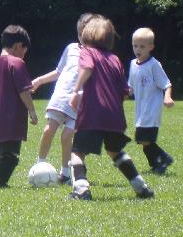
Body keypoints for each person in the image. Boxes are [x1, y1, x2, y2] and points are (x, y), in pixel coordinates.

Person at [68, 15, 154, 200]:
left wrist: (75, 91)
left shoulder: (87, 52)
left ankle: (81, 190)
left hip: (92, 114)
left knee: (77, 151)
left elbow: (87, 68)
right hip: (115, 116)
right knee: (115, 151)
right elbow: (125, 91)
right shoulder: (114, 59)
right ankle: (142, 188)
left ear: (86, 35)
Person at [29, 13, 96, 184]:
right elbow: (59, 72)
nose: (83, 39)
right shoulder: (71, 49)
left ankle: (65, 173)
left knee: (67, 137)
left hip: (79, 103)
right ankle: (40, 165)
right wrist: (39, 80)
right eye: (80, 34)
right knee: (48, 131)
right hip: (60, 97)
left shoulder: (96, 56)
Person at [0, 25, 38, 187]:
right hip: (11, 118)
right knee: (11, 154)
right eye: (24, 51)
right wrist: (32, 110)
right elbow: (23, 90)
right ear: (18, 46)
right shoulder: (17, 63)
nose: (24, 55)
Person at [128, 27, 175, 174]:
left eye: (142, 46)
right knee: (143, 140)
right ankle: (157, 164)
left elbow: (166, 84)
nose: (138, 49)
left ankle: (163, 158)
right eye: (135, 46)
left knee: (144, 139)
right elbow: (130, 87)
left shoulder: (154, 65)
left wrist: (167, 97)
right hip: (140, 111)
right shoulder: (133, 64)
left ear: (151, 47)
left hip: (151, 110)